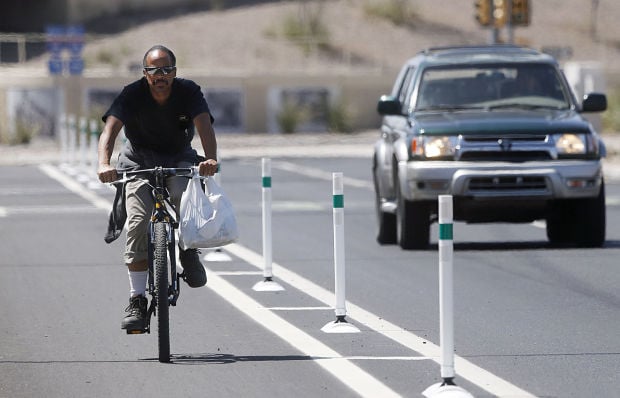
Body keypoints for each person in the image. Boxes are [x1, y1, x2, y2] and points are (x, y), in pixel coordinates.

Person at [97, 45, 218, 332]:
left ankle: (188, 251)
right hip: (139, 160)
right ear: (145, 73)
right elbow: (109, 131)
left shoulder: (188, 92)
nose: (160, 75)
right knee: (138, 223)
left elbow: (204, 127)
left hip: (178, 157)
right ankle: (137, 298)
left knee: (180, 194)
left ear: (175, 72)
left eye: (166, 69)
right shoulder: (132, 93)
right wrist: (104, 163)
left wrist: (211, 158)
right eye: (154, 70)